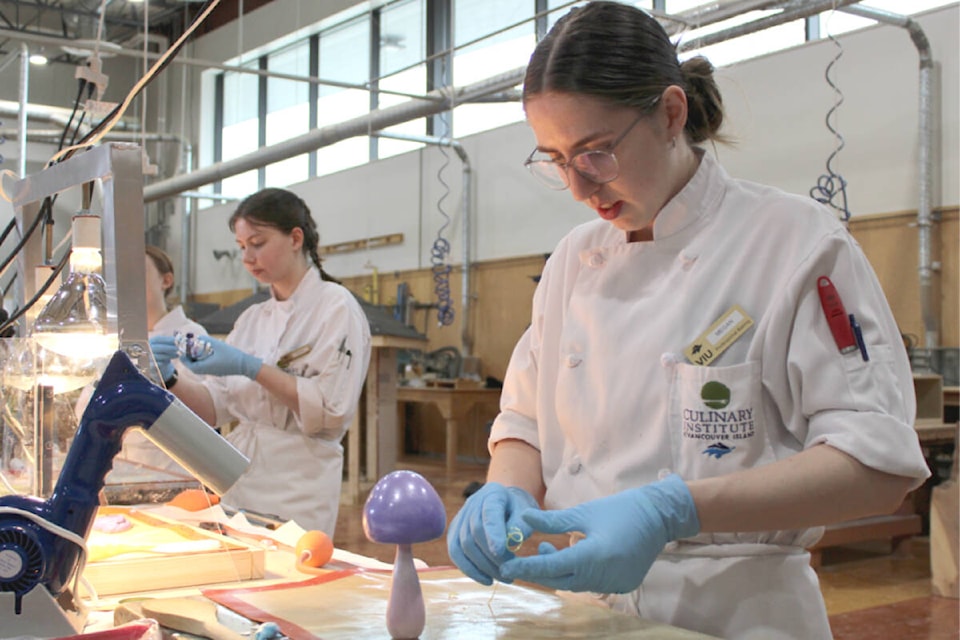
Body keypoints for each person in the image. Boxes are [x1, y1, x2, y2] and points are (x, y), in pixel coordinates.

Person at [445, 4, 930, 639]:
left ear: (672, 114)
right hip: (581, 611)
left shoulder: (793, 242)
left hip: (735, 615)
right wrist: (502, 491)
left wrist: (673, 510)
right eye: (556, 160)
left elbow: (877, 466)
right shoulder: (571, 260)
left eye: (595, 153)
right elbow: (527, 421)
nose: (580, 188)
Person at [150, 188, 371, 535]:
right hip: (240, 476)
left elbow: (330, 409)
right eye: (241, 247)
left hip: (299, 482)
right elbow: (214, 409)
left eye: (258, 243)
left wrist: (250, 367)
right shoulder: (253, 319)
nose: (248, 257)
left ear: (295, 238)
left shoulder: (336, 307)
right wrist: (169, 379)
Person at [117, 246, 209, 472]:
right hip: (121, 466)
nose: (130, 284)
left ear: (166, 280)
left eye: (140, 274)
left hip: (172, 468)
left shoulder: (191, 335)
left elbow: (203, 408)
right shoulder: (117, 339)